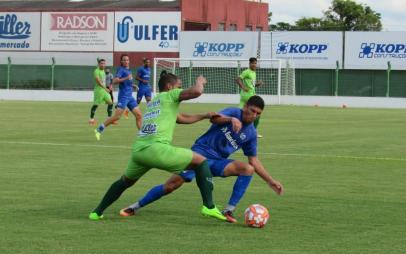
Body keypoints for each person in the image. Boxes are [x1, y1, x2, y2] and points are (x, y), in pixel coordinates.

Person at [120, 96, 284, 223]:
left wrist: (270, 181)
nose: (253, 115)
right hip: (199, 155)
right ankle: (135, 206)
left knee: (248, 169)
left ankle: (228, 210)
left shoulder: (251, 134)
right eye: (252, 110)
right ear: (246, 106)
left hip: (217, 162)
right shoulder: (234, 112)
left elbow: (253, 160)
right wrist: (230, 119)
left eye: (258, 114)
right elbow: (214, 119)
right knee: (171, 185)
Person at [89, 73, 226, 221]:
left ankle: (97, 212)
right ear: (169, 87)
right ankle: (209, 206)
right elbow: (197, 91)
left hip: (139, 151)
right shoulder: (170, 95)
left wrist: (205, 115)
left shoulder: (155, 102)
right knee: (201, 161)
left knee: (124, 182)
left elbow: (181, 118)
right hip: (156, 149)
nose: (179, 89)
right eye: (178, 86)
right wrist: (200, 81)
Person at [94, 54, 142, 140]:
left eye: (127, 60)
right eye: (124, 60)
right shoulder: (121, 70)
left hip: (130, 97)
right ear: (121, 61)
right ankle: (99, 129)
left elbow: (127, 83)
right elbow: (115, 80)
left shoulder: (129, 70)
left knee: (139, 115)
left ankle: (142, 135)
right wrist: (126, 78)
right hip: (123, 97)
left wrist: (133, 86)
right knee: (117, 117)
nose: (126, 61)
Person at [236, 57, 263, 138]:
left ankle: (236, 129)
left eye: (255, 63)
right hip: (248, 96)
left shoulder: (253, 73)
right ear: (249, 64)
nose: (254, 65)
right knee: (257, 113)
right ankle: (253, 131)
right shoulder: (246, 72)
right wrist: (243, 87)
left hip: (247, 95)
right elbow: (238, 79)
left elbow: (251, 85)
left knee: (240, 113)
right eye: (253, 63)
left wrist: (257, 84)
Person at [89, 59, 114, 126]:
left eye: (104, 63)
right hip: (99, 91)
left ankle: (109, 119)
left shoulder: (103, 71)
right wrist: (106, 88)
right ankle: (91, 119)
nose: (103, 65)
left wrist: (109, 87)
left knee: (110, 102)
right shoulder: (96, 71)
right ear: (99, 64)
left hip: (104, 91)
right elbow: (98, 82)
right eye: (101, 63)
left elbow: (103, 81)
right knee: (96, 105)